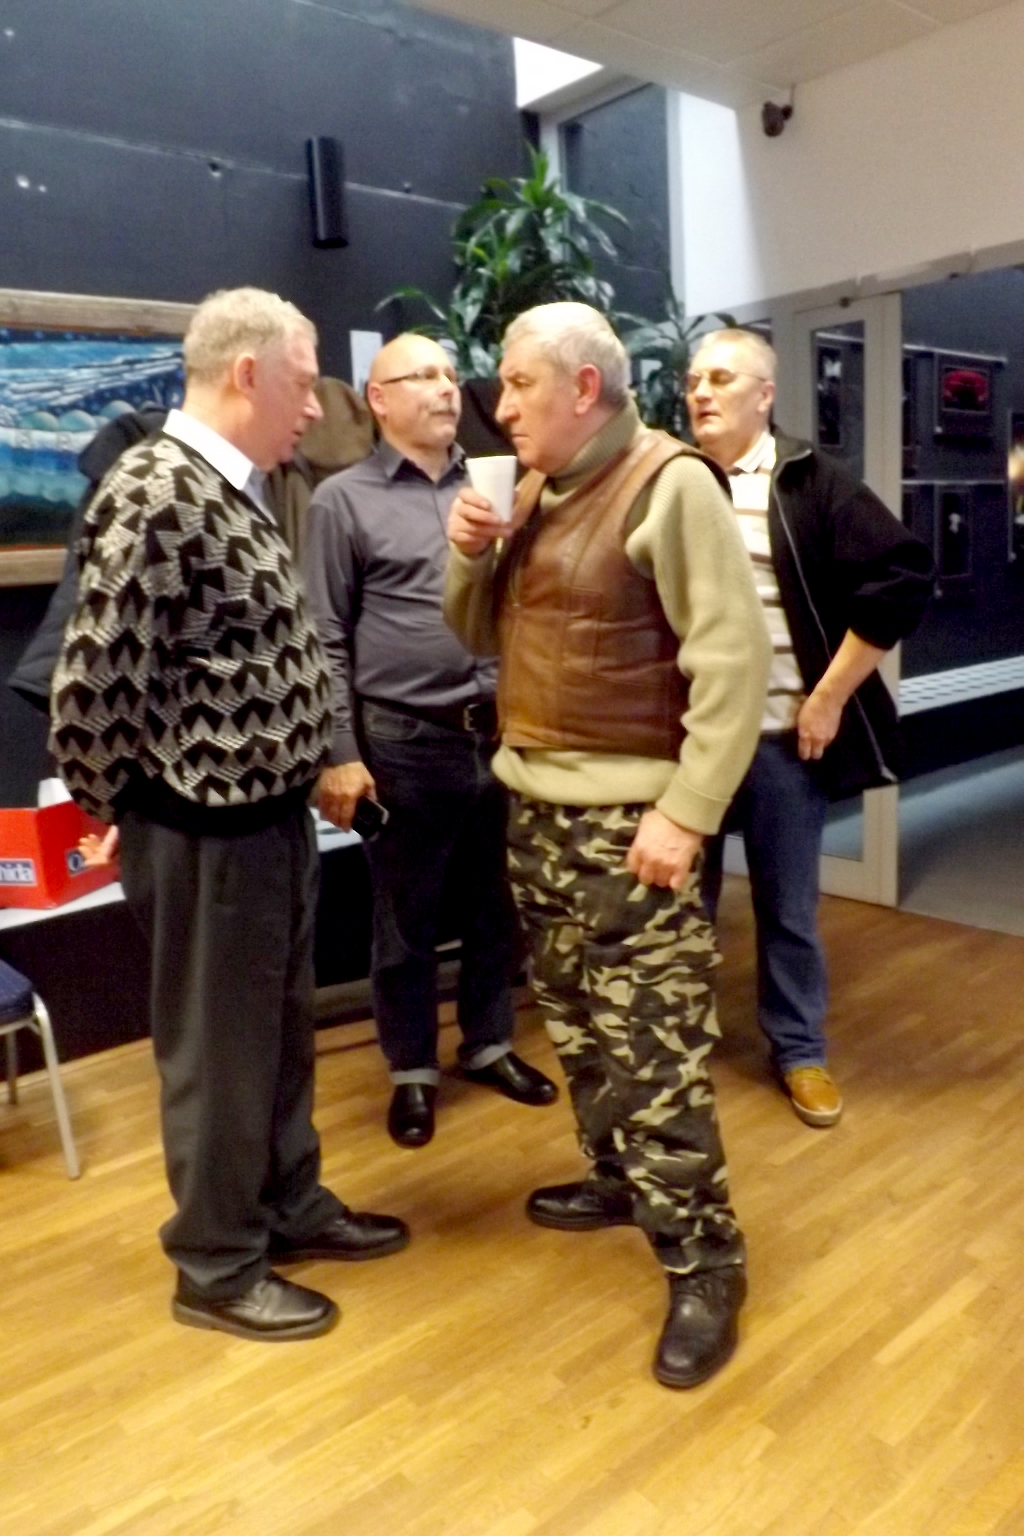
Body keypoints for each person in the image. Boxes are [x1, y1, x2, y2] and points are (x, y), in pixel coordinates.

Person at [50, 288, 408, 1343]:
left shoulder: (231, 489)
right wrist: (120, 805)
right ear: (248, 374)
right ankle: (214, 1262)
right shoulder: (157, 490)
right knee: (218, 1055)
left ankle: (288, 1204)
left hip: (266, 825)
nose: (317, 409)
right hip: (203, 834)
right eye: (303, 384)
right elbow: (90, 686)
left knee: (278, 1038)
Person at [445, 302, 771, 1390]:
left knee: (656, 1055)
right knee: (580, 1027)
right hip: (536, 812)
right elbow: (477, 632)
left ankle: (706, 1262)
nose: (500, 408)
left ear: (583, 388)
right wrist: (470, 555)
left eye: (517, 385)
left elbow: (733, 661)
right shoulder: (535, 490)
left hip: (631, 827)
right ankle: (618, 1179)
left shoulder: (668, 484)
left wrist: (687, 811)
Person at [304, 333, 557, 1149]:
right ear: (379, 399)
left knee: (497, 907)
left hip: (503, 734)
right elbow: (323, 635)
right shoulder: (341, 501)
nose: (447, 389)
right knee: (404, 919)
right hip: (405, 741)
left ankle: (487, 1044)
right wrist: (341, 752)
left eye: (451, 374)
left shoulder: (499, 486)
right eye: (424, 376)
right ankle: (411, 1069)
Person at [687, 328, 934, 1127]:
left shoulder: (810, 482)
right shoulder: (671, 480)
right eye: (693, 380)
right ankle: (678, 1044)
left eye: (721, 378)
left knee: (787, 911)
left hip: (779, 745)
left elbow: (903, 577)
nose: (700, 392)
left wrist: (827, 697)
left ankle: (798, 1050)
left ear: (765, 395)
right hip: (687, 744)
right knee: (680, 909)